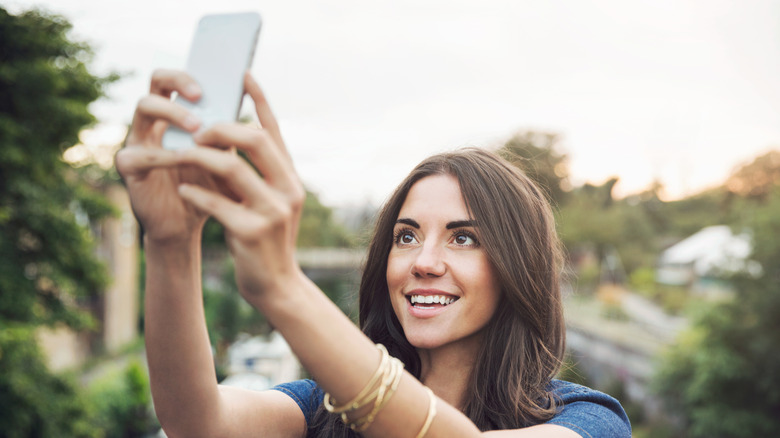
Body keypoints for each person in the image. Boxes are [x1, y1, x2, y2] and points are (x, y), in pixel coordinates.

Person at [116, 70, 632, 438]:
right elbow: (196, 422)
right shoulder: (325, 407)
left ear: (517, 267)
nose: (423, 261)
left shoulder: (587, 420)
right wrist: (168, 243)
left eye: (464, 237)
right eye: (406, 236)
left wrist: (283, 286)